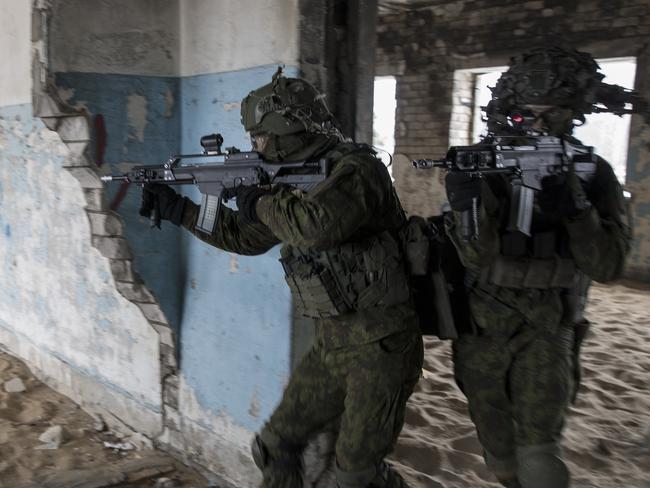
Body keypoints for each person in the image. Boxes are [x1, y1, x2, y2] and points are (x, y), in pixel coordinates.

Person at [140, 70, 423, 488]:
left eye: (258, 137)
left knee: (353, 480)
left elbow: (314, 227)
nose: (254, 146)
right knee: (274, 446)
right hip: (333, 344)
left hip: (382, 347)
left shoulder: (358, 170)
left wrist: (258, 198)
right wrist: (179, 210)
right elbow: (247, 237)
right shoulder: (285, 183)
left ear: (284, 131)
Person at [443, 48, 632, 488]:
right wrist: (468, 202)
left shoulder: (592, 172)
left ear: (574, 114)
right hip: (483, 323)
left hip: (551, 322)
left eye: (554, 114)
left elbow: (608, 266)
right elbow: (474, 256)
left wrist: (577, 210)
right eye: (529, 114)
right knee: (497, 446)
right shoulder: (483, 164)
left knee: (540, 451)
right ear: (511, 112)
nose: (541, 124)